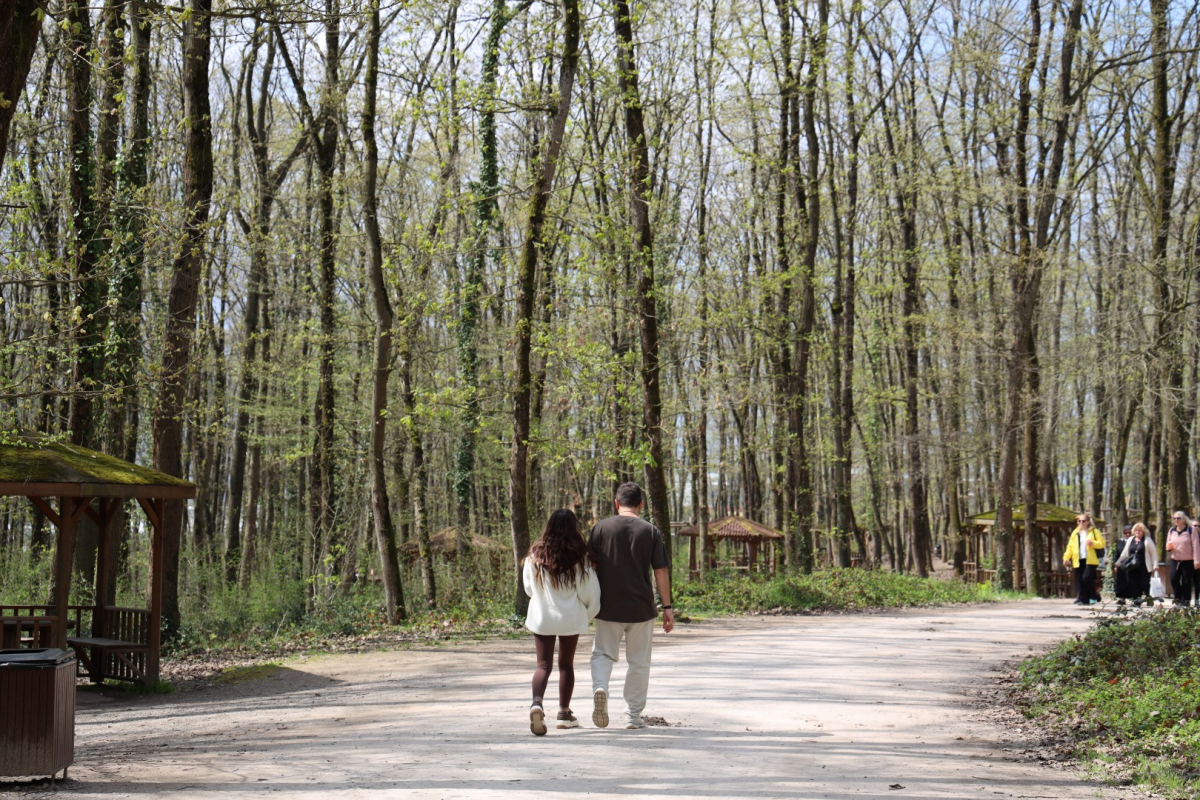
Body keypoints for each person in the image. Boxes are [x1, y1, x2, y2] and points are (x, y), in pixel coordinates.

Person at [589, 482, 674, 730]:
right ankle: (632, 716)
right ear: (641, 504)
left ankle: (601, 687)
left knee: (603, 653)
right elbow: (660, 571)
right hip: (641, 608)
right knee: (638, 661)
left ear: (617, 503)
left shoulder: (600, 528)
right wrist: (667, 607)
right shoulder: (651, 531)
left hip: (607, 606)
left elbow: (589, 568)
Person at [523, 509, 601, 736]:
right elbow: (590, 593)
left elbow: (529, 589)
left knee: (542, 665)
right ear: (574, 528)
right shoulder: (580, 557)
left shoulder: (534, 555)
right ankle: (564, 714)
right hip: (569, 619)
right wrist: (587, 615)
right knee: (566, 665)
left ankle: (537, 703)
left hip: (542, 617)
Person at [1063, 513, 1104, 605]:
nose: (1081, 522)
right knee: (1079, 579)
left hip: (1090, 560)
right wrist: (1066, 557)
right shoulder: (1075, 533)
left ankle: (1094, 596)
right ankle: (1083, 598)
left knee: (1086, 577)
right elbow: (1070, 546)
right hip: (1078, 559)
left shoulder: (1094, 531)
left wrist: (1093, 543)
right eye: (1079, 521)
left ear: (1088, 522)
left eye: (1083, 521)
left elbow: (1101, 543)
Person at [1116, 522, 1157, 607]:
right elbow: (1124, 553)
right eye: (1136, 530)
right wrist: (1118, 562)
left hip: (1144, 566)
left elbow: (1153, 553)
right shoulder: (1131, 539)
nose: (1137, 532)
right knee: (1133, 583)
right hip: (1132, 566)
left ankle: (1149, 598)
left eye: (1140, 530)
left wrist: (1155, 564)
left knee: (1144, 583)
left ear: (1143, 531)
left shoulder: (1147, 540)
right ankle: (1136, 600)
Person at [1165, 511, 1199, 608]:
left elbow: (1196, 546)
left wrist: (1197, 561)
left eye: (1178, 518)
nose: (1176, 520)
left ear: (1184, 519)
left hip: (1188, 560)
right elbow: (1168, 542)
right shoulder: (1172, 530)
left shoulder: (1191, 530)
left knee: (1186, 581)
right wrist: (1168, 547)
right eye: (1174, 518)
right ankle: (1178, 598)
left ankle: (1186, 601)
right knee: (1173, 579)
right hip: (1175, 559)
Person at [1113, 526, 1134, 604]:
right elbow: (1117, 554)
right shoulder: (1121, 542)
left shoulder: (1134, 541)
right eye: (1126, 533)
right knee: (1121, 582)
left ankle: (1134, 598)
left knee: (1131, 582)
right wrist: (1115, 565)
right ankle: (1122, 598)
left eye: (1129, 532)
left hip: (1132, 564)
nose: (1128, 534)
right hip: (1122, 564)